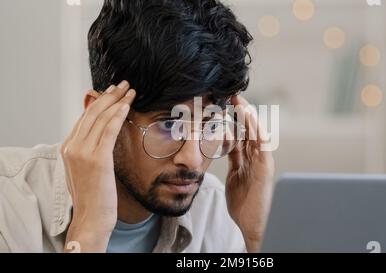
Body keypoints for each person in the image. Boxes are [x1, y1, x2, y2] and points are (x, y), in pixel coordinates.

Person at [0, 0, 274, 253]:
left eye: (210, 125)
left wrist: (256, 238)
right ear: (97, 113)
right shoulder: (8, 205)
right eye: (168, 124)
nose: (192, 160)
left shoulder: (215, 210)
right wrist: (89, 233)